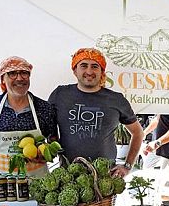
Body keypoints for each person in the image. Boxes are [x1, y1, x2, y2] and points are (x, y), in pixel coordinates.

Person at [0, 56, 57, 201]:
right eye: (12, 74)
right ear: (3, 79)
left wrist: (47, 153)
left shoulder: (44, 108)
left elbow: (54, 142)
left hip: (39, 188)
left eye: (24, 73)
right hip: (1, 190)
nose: (20, 78)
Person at [48, 48, 144, 177]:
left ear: (101, 71)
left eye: (94, 66)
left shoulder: (116, 99)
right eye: (83, 66)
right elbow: (49, 127)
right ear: (75, 71)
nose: (89, 71)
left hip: (106, 177)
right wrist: (52, 142)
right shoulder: (60, 95)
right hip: (68, 176)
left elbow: (138, 132)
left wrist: (127, 166)